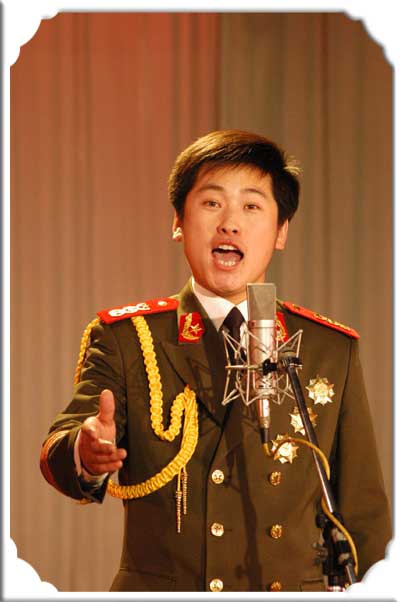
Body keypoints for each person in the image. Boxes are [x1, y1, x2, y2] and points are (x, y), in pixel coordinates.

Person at [40, 130, 391, 592]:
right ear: (178, 222)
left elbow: (363, 516)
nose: (230, 224)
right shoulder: (128, 338)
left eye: (251, 206)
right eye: (211, 203)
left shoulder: (329, 348)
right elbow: (60, 450)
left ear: (281, 231)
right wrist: (85, 455)